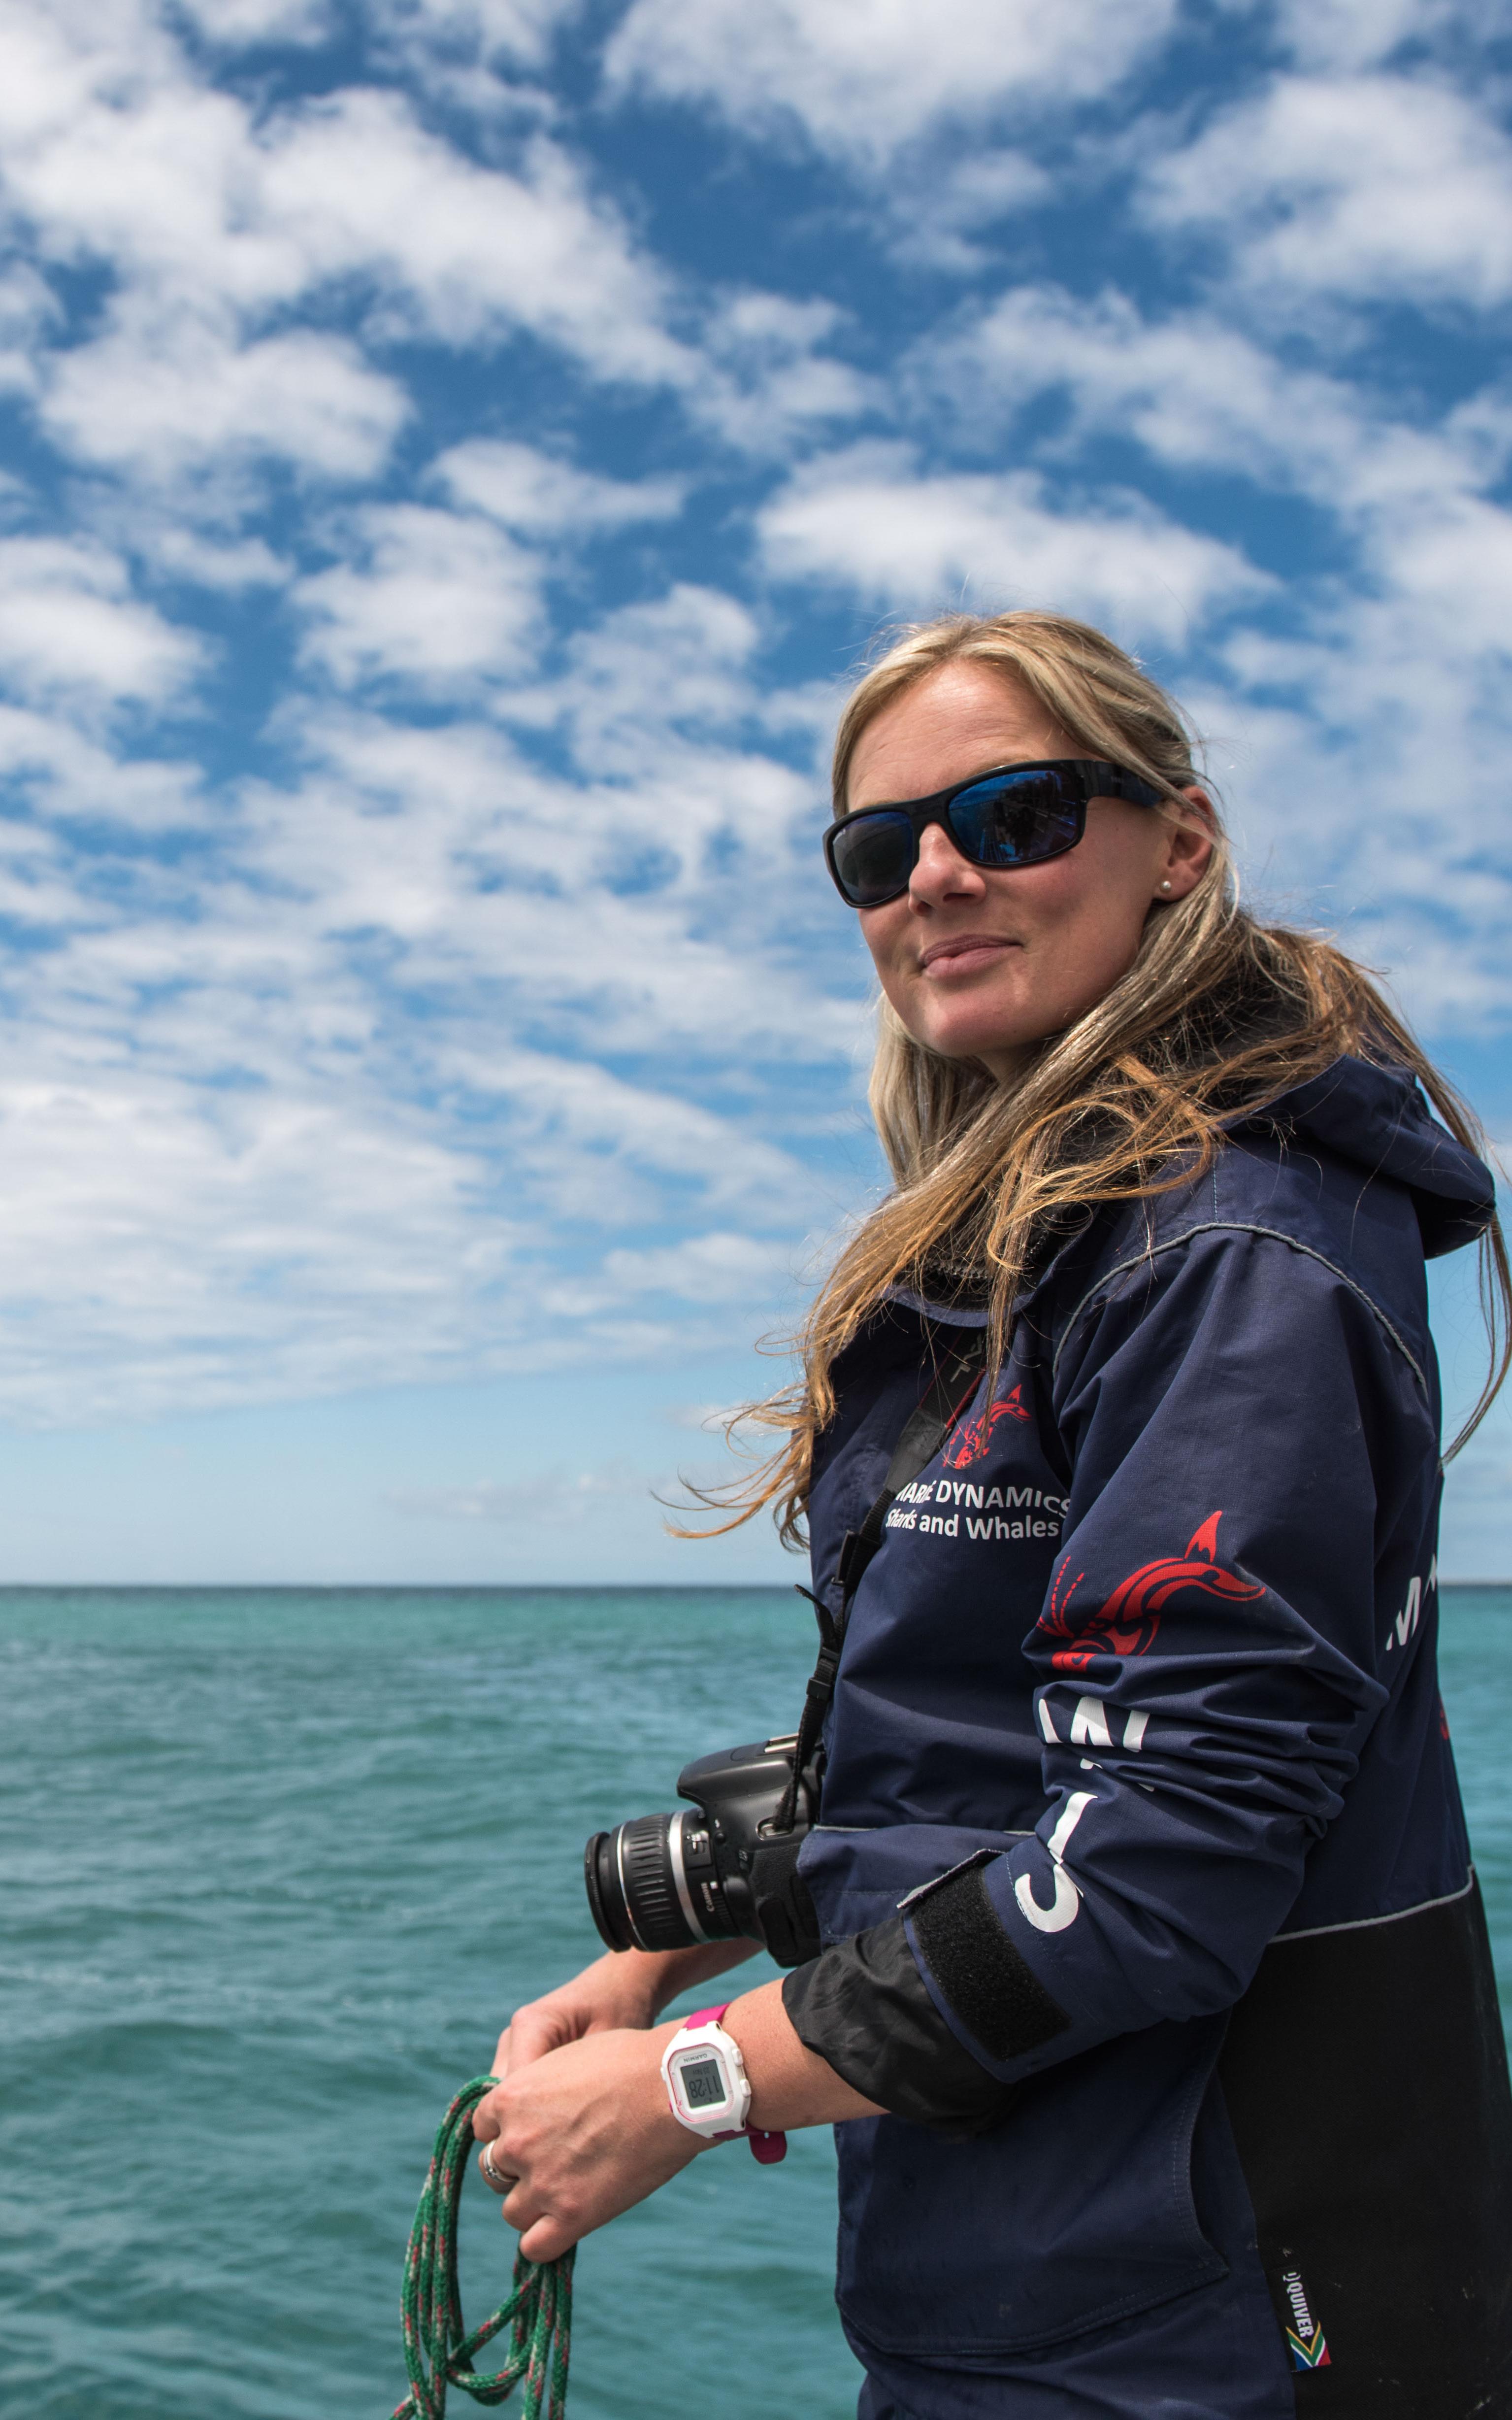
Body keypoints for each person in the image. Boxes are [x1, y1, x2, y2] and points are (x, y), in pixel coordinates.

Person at [471, 610, 1512, 2420]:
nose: (938, 878)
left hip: (1222, 2325)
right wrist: (665, 1956)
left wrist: (694, 2086)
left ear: (1175, 842)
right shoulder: (1057, 1238)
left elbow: (1158, 1860)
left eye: (1016, 814)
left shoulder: (1229, 1250)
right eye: (883, 851)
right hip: (1032, 2285)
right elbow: (982, 1749)